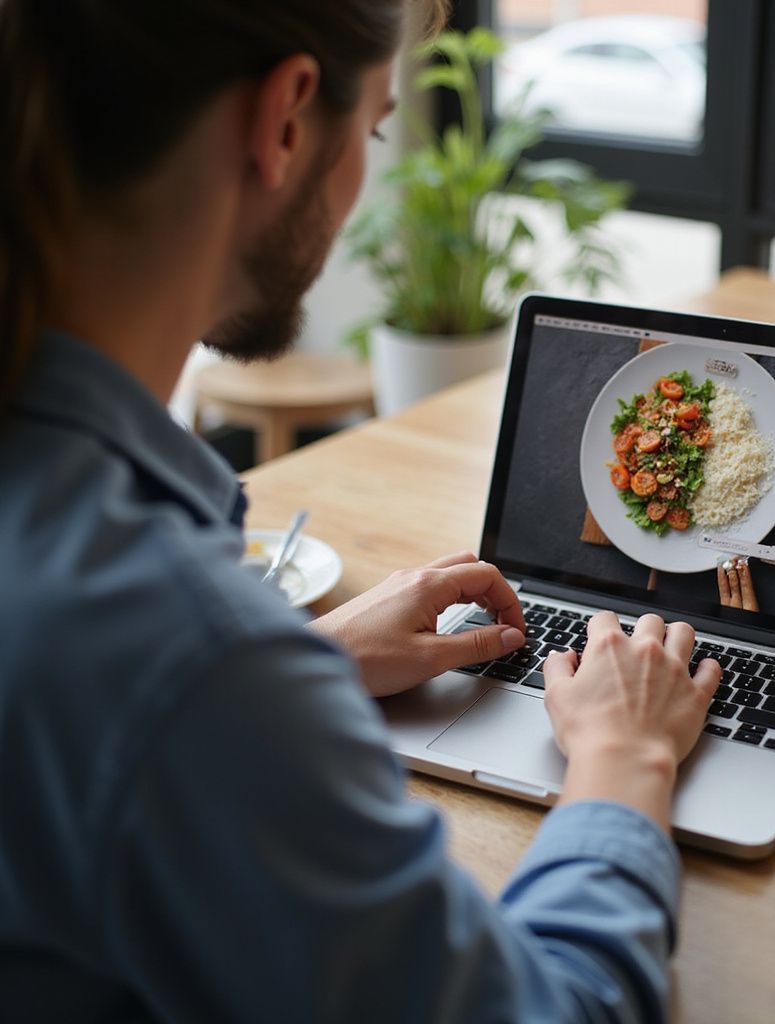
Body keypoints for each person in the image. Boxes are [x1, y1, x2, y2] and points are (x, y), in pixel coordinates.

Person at [0, 1, 722, 1020]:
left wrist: (305, 669)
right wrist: (624, 754)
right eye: (376, 128)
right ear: (288, 120)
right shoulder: (180, 656)